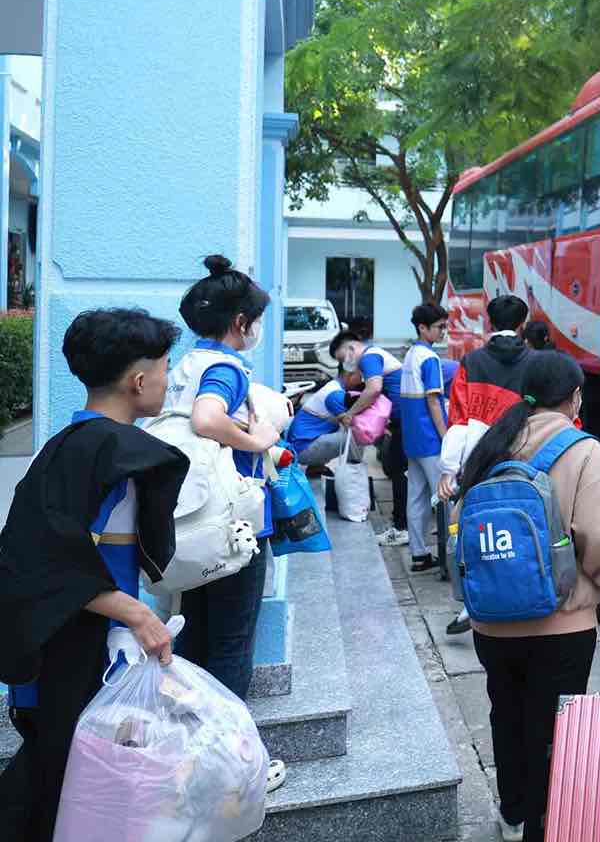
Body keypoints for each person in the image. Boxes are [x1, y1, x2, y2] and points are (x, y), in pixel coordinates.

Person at [0, 309, 189, 840]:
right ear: (138, 381)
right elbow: (46, 556)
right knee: (68, 793)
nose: (169, 381)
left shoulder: (69, 444)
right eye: (165, 368)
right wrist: (136, 615)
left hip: (73, 642)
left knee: (60, 782)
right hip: (82, 652)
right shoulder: (109, 451)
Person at [457, 351, 600, 842]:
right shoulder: (583, 451)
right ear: (575, 397)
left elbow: (462, 521)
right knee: (554, 731)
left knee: (506, 715)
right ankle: (544, 826)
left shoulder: (491, 443)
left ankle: (513, 812)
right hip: (560, 627)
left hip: (492, 623)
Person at [165, 255, 287, 791]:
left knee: (194, 642)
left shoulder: (184, 365)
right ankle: (232, 770)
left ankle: (191, 756)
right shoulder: (226, 369)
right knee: (232, 646)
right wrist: (257, 440)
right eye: (256, 320)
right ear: (241, 323)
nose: (257, 329)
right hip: (232, 528)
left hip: (190, 526)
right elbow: (207, 419)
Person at [438, 294, 534, 635]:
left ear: (489, 323)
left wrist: (450, 468)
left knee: (477, 526)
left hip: (480, 459)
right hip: (524, 455)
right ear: (523, 324)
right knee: (522, 525)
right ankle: (524, 595)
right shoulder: (535, 362)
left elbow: (459, 417)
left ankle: (474, 601)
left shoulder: (472, 361)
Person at [330, 329, 407, 546]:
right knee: (398, 469)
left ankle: (402, 527)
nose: (344, 364)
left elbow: (373, 390)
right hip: (403, 420)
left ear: (351, 347)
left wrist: (350, 413)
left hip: (406, 420)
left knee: (398, 470)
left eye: (342, 358)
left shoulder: (369, 357)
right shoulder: (373, 356)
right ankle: (404, 524)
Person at [400, 303, 450, 572]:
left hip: (412, 439)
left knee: (416, 498)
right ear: (423, 328)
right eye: (440, 327)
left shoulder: (411, 354)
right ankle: (451, 557)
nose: (444, 331)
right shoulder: (430, 358)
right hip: (430, 439)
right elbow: (434, 401)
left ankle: (419, 554)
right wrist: (446, 436)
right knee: (444, 497)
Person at [286, 369, 364, 469]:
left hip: (301, 445)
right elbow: (350, 424)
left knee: (337, 430)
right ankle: (355, 472)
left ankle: (315, 469)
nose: (362, 380)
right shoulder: (336, 395)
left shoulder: (333, 385)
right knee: (357, 437)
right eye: (360, 376)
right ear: (349, 374)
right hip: (303, 449)